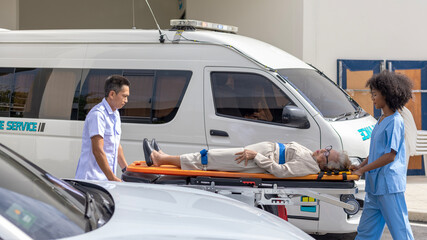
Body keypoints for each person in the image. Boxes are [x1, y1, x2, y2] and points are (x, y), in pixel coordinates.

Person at [351, 71, 414, 240]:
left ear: (386, 95)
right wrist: (360, 166)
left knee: (401, 232)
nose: (372, 98)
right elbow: (376, 152)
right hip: (375, 188)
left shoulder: (395, 121)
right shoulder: (380, 120)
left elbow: (389, 156)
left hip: (389, 187)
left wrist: (362, 171)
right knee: (365, 233)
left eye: (375, 94)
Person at [143, 139, 351, 178]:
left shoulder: (309, 167)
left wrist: (257, 156)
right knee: (211, 156)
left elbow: (281, 172)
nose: (322, 150)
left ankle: (161, 159)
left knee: (209, 158)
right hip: (257, 154)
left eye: (326, 153)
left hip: (254, 160)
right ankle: (164, 157)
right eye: (327, 149)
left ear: (327, 165)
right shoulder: (311, 159)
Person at [75, 75, 130, 182]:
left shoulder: (115, 114)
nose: (126, 100)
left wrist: (127, 171)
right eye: (124, 96)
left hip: (106, 180)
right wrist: (112, 178)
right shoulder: (98, 115)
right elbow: (97, 150)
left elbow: (116, 145)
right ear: (112, 94)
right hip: (92, 179)